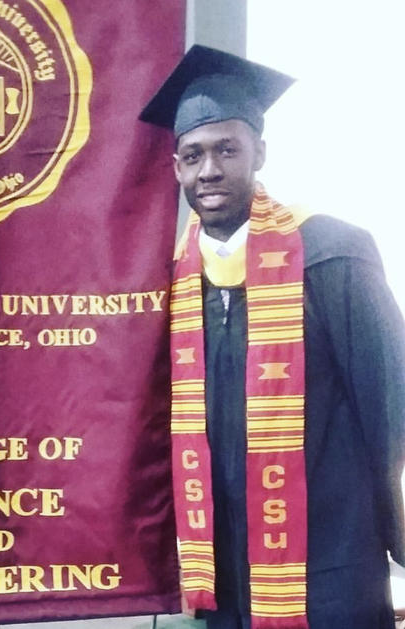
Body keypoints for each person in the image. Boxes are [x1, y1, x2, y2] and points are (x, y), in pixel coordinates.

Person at [140, 45, 405, 629]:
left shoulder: (334, 254)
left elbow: (391, 407)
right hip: (226, 582)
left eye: (227, 150)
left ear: (260, 152)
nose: (209, 169)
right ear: (178, 168)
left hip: (330, 572)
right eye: (193, 155)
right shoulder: (176, 282)